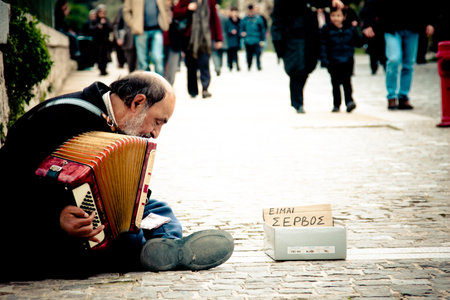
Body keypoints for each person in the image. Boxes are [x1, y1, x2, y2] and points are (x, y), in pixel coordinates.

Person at [0, 71, 234, 281]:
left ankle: (166, 246)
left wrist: (137, 200)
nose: (155, 134)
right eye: (157, 121)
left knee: (158, 208)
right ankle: (152, 248)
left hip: (88, 213)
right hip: (40, 227)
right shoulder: (60, 118)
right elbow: (9, 181)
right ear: (137, 102)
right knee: (123, 238)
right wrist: (55, 217)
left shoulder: (113, 124)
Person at [271, 0, 344, 114]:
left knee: (308, 66)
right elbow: (277, 17)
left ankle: (298, 99)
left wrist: (330, 2)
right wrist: (278, 40)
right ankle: (298, 102)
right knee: (296, 69)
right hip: (291, 35)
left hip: (309, 32)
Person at [361, 0, 435, 110]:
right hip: (391, 27)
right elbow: (370, 3)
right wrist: (367, 24)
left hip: (413, 26)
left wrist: (430, 22)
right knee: (393, 59)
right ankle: (391, 96)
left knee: (408, 63)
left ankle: (403, 96)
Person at [173, 0, 223, 99]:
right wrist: (187, 9)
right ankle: (193, 91)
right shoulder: (186, 0)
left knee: (204, 64)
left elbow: (214, 19)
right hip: (189, 39)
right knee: (191, 66)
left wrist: (218, 38)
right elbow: (176, 13)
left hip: (205, 39)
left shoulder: (210, 1)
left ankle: (205, 88)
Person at [320, 7, 362, 113]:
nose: (336, 18)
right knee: (335, 84)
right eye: (333, 16)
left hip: (347, 61)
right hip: (333, 62)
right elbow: (323, 46)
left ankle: (349, 101)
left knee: (347, 82)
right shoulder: (326, 29)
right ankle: (336, 104)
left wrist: (365, 36)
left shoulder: (350, 29)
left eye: (338, 16)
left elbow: (358, 42)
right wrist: (324, 60)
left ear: (344, 17)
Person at [123, 0, 171, 75]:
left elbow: (167, 9)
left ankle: (159, 84)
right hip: (140, 31)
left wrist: (167, 20)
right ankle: (146, 84)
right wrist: (133, 24)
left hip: (157, 29)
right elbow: (126, 11)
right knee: (143, 62)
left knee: (158, 58)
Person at [113, 4, 138, 73]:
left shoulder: (142, 5)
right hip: (128, 39)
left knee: (141, 63)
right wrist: (118, 37)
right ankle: (133, 80)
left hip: (141, 37)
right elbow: (117, 24)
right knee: (130, 64)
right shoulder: (123, 8)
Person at [241, 4, 265, 71]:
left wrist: (262, 40)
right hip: (248, 40)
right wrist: (242, 33)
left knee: (258, 54)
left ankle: (258, 66)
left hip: (256, 39)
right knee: (249, 55)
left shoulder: (258, 19)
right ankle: (249, 66)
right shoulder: (245, 19)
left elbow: (262, 30)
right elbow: (241, 28)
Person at [90, 5, 113, 76]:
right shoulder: (95, 20)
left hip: (105, 42)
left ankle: (104, 69)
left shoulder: (106, 20)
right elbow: (91, 28)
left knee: (105, 57)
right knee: (98, 56)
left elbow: (111, 28)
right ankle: (101, 69)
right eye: (100, 12)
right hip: (97, 42)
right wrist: (98, 26)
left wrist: (105, 23)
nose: (102, 14)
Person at [211, 6, 228, 76]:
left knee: (215, 54)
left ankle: (217, 67)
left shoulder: (211, 17)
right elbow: (227, 27)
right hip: (223, 37)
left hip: (214, 38)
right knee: (220, 54)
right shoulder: (224, 17)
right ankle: (219, 66)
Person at [225, 6, 241, 71]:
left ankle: (237, 65)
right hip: (229, 39)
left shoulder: (239, 20)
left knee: (235, 53)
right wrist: (230, 31)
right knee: (230, 54)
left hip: (236, 39)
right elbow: (225, 28)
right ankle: (230, 65)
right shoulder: (228, 20)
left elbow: (241, 27)